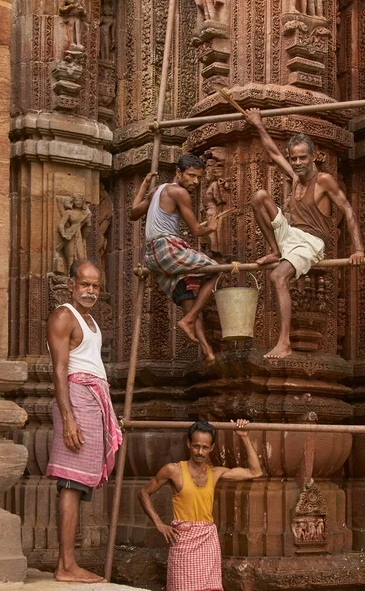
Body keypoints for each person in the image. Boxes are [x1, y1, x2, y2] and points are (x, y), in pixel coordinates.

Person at [245, 108, 365, 359]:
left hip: (311, 242)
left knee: (278, 277)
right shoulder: (294, 177)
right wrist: (258, 123)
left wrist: (359, 249)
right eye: (295, 158)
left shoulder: (324, 180)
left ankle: (284, 342)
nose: (298, 163)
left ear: (313, 157)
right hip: (289, 236)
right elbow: (273, 152)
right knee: (259, 197)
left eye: (303, 158)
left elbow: (348, 210)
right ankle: (275, 250)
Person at [46, 260, 123, 583]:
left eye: (95, 286)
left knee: (78, 484)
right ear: (71, 284)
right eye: (85, 284)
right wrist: (68, 417)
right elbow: (60, 369)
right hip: (76, 400)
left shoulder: (90, 322)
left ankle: (68, 562)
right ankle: (66, 565)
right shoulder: (64, 315)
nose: (90, 291)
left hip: (92, 400)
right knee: (72, 483)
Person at [138, 419, 263, 591]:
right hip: (183, 542)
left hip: (207, 541)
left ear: (211, 448)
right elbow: (144, 492)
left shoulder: (215, 473)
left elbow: (255, 472)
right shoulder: (173, 470)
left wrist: (244, 437)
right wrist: (159, 524)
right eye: (196, 446)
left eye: (205, 447)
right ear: (188, 443)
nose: (200, 452)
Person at [130, 155, 219, 359]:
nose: (195, 182)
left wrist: (144, 185)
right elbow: (196, 230)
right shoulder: (179, 192)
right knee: (214, 270)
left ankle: (206, 349)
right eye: (191, 176)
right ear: (178, 173)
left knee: (186, 295)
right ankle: (189, 321)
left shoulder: (156, 190)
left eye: (198, 178)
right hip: (167, 248)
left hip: (152, 256)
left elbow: (133, 212)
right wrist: (212, 227)